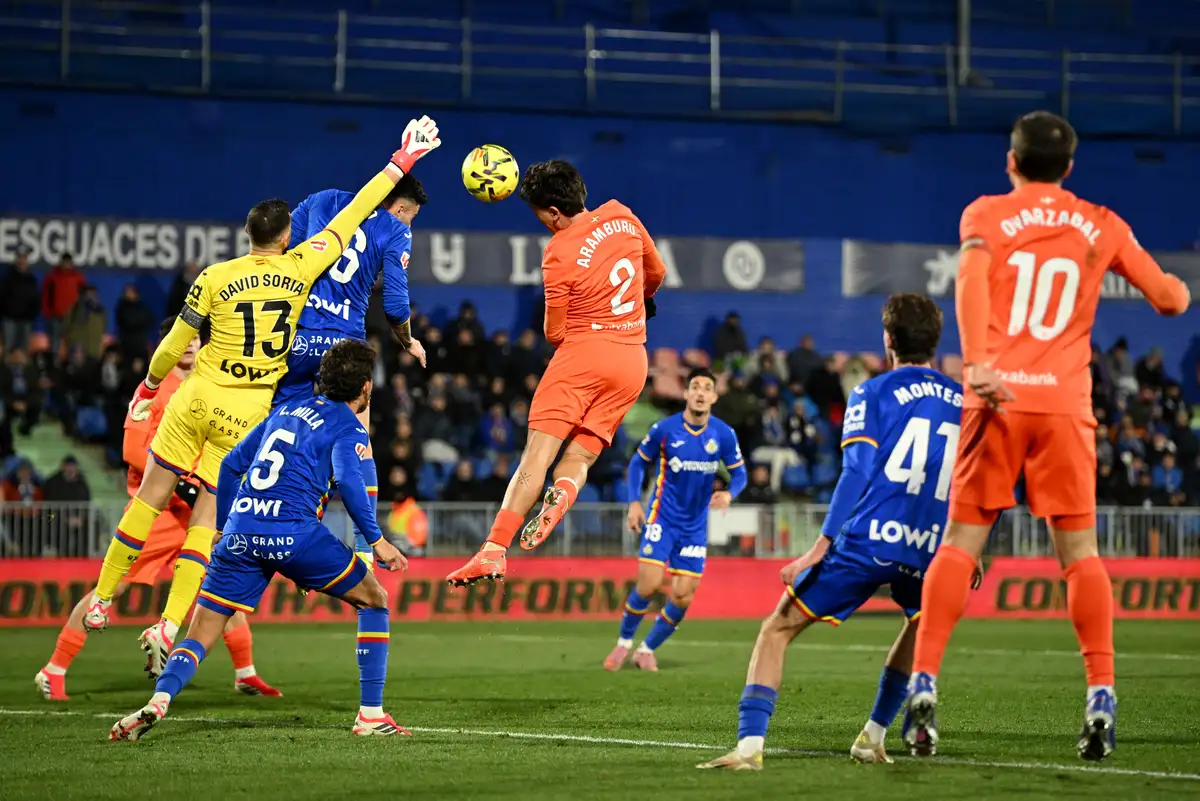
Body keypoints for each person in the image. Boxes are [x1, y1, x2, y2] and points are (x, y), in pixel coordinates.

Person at [79, 116, 441, 678]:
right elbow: (386, 281)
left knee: (163, 492)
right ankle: (348, 545)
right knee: (345, 442)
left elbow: (176, 341)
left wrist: (148, 386)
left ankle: (109, 597)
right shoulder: (349, 246)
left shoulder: (223, 269)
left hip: (227, 383)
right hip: (319, 358)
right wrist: (402, 160)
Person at [904, 111, 1190, 763]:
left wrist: (978, 363)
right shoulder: (1103, 223)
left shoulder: (986, 214)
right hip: (1063, 405)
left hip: (996, 397)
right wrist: (1177, 285)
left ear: (1011, 161)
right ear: (1069, 167)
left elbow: (970, 279)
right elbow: (1170, 300)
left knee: (961, 542)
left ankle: (923, 682)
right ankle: (1100, 695)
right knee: (1081, 554)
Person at [698, 293, 963, 771]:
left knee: (777, 629)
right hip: (931, 546)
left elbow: (856, 471)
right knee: (919, 623)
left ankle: (749, 748)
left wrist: (819, 546)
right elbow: (981, 479)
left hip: (867, 541)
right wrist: (972, 548)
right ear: (936, 341)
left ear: (888, 340)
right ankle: (873, 737)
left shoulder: (871, 392)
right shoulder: (966, 403)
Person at [108, 340, 409, 742]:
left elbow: (232, 464)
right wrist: (377, 540)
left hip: (240, 532)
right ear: (365, 387)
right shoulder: (348, 427)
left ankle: (160, 699)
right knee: (374, 599)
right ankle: (370, 715)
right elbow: (351, 484)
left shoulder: (286, 411)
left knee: (199, 634)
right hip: (293, 533)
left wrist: (223, 526)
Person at [446, 160, 666, 585]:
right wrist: (638, 301)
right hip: (633, 361)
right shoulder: (623, 214)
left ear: (551, 212)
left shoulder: (558, 251)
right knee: (580, 456)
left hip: (583, 357)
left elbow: (554, 332)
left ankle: (493, 550)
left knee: (536, 458)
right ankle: (564, 492)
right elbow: (656, 273)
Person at [35, 319, 278, 700]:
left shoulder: (209, 385)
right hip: (161, 511)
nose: (190, 345)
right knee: (111, 588)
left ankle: (245, 673)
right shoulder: (154, 388)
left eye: (196, 339)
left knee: (219, 589)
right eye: (183, 339)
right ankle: (54, 669)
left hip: (198, 510)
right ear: (168, 345)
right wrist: (184, 484)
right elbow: (133, 451)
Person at [275, 172, 429, 567]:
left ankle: (284, 531)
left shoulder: (324, 198)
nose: (409, 224)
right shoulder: (395, 229)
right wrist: (407, 340)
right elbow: (395, 305)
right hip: (346, 346)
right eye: (410, 216)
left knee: (283, 433)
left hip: (299, 338)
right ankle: (364, 547)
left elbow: (284, 251)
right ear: (399, 207)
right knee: (357, 445)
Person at [606, 368, 745, 671]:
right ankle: (623, 643)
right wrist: (634, 503)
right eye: (695, 386)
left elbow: (740, 474)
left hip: (695, 527)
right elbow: (637, 463)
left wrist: (729, 493)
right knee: (648, 586)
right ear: (685, 393)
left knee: (683, 596)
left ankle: (646, 649)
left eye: (706, 388)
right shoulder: (665, 429)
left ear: (714, 397)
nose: (700, 392)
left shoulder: (723, 434)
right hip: (662, 519)